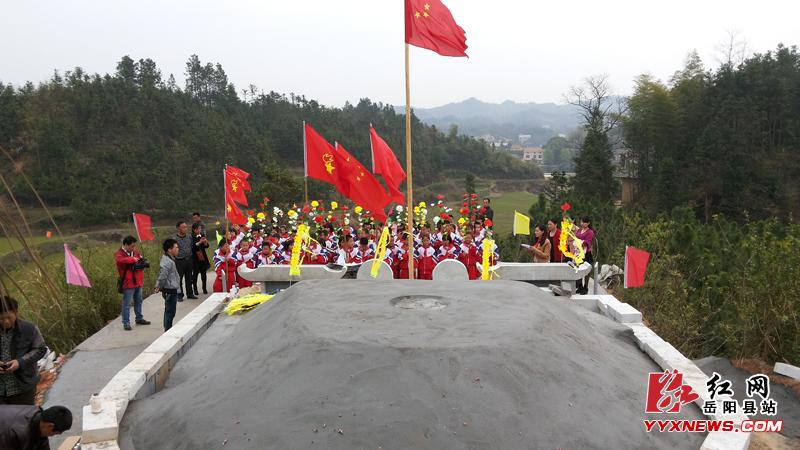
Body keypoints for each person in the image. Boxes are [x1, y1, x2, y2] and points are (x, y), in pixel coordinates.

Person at [0, 296, 47, 405]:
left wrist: (20, 362)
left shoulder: (29, 329)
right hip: (1, 390)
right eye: (1, 319)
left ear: (16, 313)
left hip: (23, 387)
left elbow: (40, 349)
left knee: (25, 414)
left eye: (9, 317)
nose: (6, 322)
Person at [114, 236, 151, 331]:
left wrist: (143, 262)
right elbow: (121, 260)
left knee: (138, 301)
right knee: (127, 304)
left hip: (138, 282)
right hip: (128, 283)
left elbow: (141, 259)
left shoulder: (135, 252)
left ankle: (139, 318)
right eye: (131, 246)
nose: (133, 248)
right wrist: (133, 259)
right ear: (126, 245)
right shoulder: (119, 254)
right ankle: (126, 323)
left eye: (134, 246)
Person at [0, 404, 72, 449]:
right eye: (53, 434)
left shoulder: (38, 415)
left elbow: (42, 440)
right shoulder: (18, 432)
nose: (51, 436)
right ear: (50, 426)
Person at [155, 239, 181, 332]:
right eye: (176, 247)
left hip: (171, 290)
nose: (178, 249)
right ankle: (167, 331)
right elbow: (162, 276)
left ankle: (167, 329)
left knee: (169, 312)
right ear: (169, 249)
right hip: (169, 290)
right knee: (170, 312)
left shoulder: (170, 259)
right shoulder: (167, 261)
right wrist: (158, 286)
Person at [174, 222, 197, 300]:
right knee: (179, 278)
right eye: (183, 227)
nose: (185, 229)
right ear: (178, 228)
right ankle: (179, 295)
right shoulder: (174, 239)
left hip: (189, 259)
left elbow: (191, 246)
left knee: (189, 278)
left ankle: (190, 293)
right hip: (180, 261)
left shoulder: (189, 237)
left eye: (186, 227)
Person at [575, 216, 595, 295]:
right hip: (578, 252)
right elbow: (575, 237)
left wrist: (580, 243)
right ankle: (580, 286)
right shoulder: (579, 230)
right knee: (578, 269)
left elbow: (587, 242)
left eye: (584, 222)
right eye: (581, 222)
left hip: (586, 253)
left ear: (588, 223)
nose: (582, 223)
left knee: (586, 270)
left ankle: (585, 287)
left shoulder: (590, 232)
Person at [191, 223, 210, 295]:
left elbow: (206, 246)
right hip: (195, 257)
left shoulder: (202, 235)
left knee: (203, 273)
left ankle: (204, 288)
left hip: (202, 256)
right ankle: (195, 289)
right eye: (198, 229)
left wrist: (205, 242)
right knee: (195, 273)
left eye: (200, 228)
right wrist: (200, 242)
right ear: (194, 229)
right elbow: (193, 247)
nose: (200, 230)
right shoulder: (191, 237)